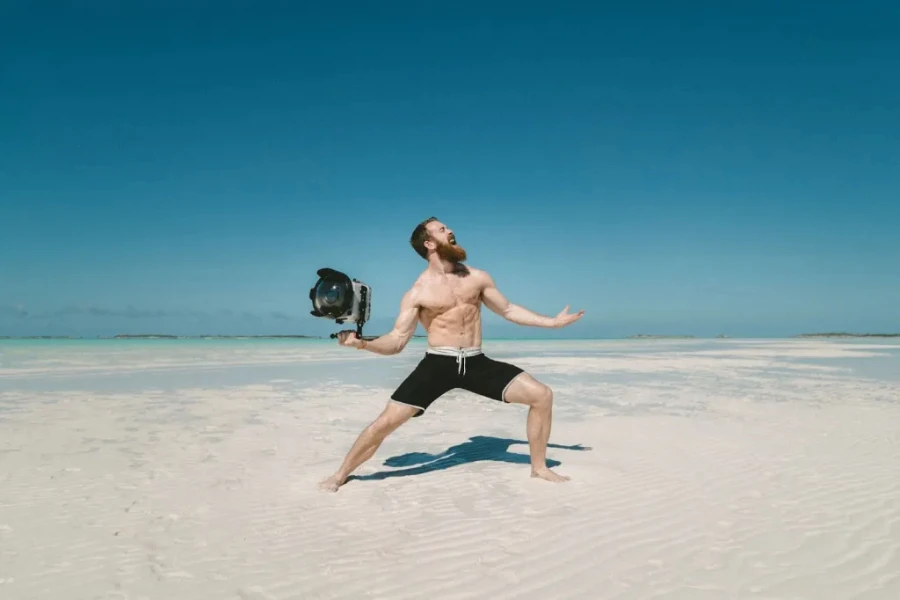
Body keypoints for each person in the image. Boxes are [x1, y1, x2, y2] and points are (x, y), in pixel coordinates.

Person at [319, 217, 584, 492]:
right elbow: (396, 342)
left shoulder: (477, 277)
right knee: (384, 423)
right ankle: (340, 475)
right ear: (429, 243)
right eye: (442, 229)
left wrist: (551, 323)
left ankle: (539, 468)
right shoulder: (418, 292)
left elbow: (507, 310)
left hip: (476, 361)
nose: (451, 231)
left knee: (542, 396)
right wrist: (362, 344)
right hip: (438, 364)